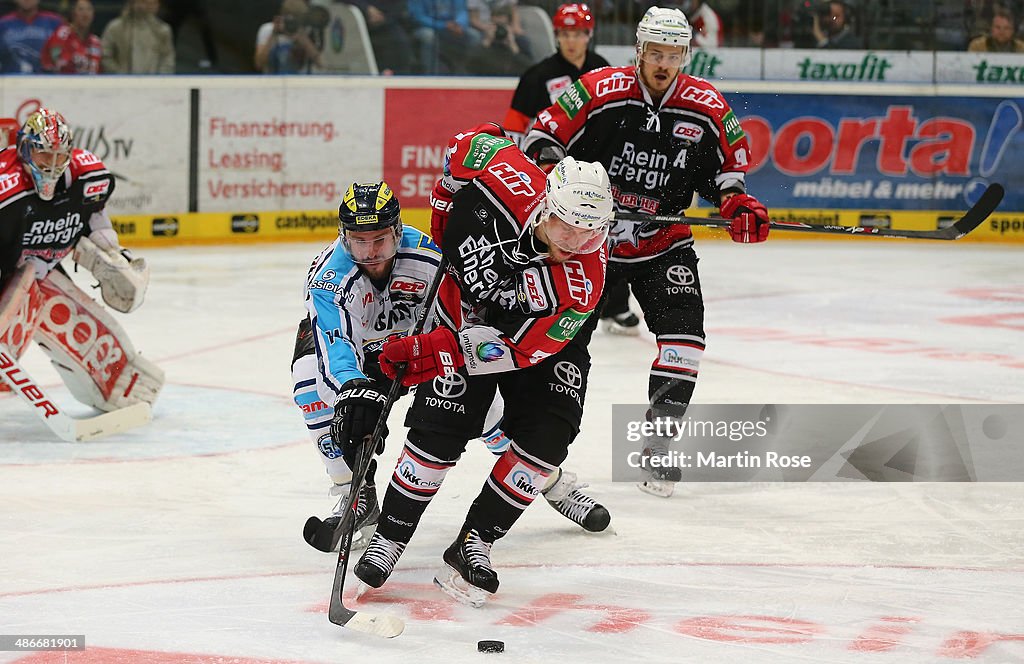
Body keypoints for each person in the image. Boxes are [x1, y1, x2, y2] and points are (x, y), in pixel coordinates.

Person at [352, 126, 614, 606]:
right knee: (440, 425)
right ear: (547, 206)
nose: (577, 240)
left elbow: (519, 351)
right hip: (462, 309)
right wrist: (444, 205)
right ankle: (389, 536)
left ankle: (474, 541)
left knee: (548, 437)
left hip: (538, 342)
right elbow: (471, 142)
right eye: (567, 225)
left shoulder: (584, 282)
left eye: (591, 230)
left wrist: (434, 350)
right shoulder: (507, 177)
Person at [522, 7, 770, 498]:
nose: (662, 62)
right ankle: (539, 454)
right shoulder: (597, 88)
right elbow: (541, 136)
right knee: (560, 348)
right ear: (639, 52)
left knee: (686, 343)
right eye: (654, 52)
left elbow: (728, 175)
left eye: (672, 54)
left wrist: (736, 201)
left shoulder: (708, 105)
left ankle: (659, 444)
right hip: (589, 245)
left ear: (686, 55)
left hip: (664, 243)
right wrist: (559, 181)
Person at [292, 179, 611, 552]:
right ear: (344, 237)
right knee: (311, 387)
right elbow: (334, 342)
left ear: (398, 231)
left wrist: (433, 352)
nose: (370, 252)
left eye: (379, 239)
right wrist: (353, 390)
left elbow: (464, 322)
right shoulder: (328, 277)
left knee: (486, 412)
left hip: (418, 349)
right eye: (359, 241)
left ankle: (551, 482)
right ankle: (355, 495)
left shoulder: (430, 258)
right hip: (360, 358)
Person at [0, 108, 163, 418]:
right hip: (8, 273)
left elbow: (94, 215)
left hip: (43, 270)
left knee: (86, 335)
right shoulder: (6, 188)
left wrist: (109, 252)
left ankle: (115, 383)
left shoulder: (87, 176)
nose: (51, 165)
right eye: (44, 155)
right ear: (24, 149)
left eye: (59, 156)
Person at [503, 3, 639, 336]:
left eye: (577, 34)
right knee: (558, 236)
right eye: (565, 34)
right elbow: (516, 128)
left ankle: (615, 305)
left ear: (587, 35)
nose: (571, 41)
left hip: (598, 173)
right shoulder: (537, 76)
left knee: (606, 238)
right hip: (555, 176)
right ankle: (546, 301)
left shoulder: (601, 69)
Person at [101, 0, 175, 73]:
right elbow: (105, 55)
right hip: (122, 82)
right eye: (140, 1)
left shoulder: (162, 30)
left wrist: (159, 79)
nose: (142, 6)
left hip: (153, 82)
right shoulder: (115, 27)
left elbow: (167, 59)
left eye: (144, 2)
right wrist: (120, 75)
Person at [406, 0, 478, 74]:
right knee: (428, 35)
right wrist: (443, 25)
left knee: (474, 36)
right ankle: (430, 72)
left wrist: (458, 23)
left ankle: (464, 70)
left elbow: (462, 11)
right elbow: (418, 17)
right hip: (425, 27)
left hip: (452, 26)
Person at [254, 0, 324, 74]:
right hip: (271, 82)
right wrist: (273, 35)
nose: (292, 23)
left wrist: (304, 41)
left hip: (298, 82)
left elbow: (321, 64)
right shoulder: (267, 30)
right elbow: (259, 64)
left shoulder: (304, 32)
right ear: (282, 16)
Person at [347, 0, 415, 75]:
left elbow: (400, 6)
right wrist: (366, 9)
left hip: (387, 22)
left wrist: (383, 17)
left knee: (400, 41)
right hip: (359, 23)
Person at [0, 0, 65, 74]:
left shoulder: (55, 22)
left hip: (47, 81)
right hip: (11, 81)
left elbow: (65, 56)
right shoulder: (3, 24)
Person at [41, 0, 102, 74]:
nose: (85, 14)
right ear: (73, 13)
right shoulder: (62, 34)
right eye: (81, 9)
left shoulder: (96, 42)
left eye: (89, 9)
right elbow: (56, 61)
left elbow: (98, 72)